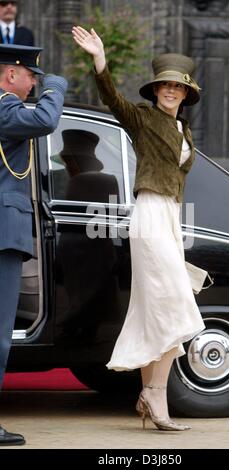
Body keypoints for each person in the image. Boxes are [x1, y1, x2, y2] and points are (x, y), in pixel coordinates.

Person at [72, 25, 205, 432]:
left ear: (185, 95)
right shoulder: (143, 119)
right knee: (179, 305)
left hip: (170, 217)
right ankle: (154, 394)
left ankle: (153, 403)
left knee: (155, 309)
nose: (170, 92)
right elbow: (112, 99)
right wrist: (100, 61)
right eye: (165, 86)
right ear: (156, 90)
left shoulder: (185, 130)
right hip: (148, 214)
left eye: (177, 88)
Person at [0, 43, 67, 445]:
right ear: (11, 75)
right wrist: (56, 87)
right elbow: (45, 119)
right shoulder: (5, 107)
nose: (34, 85)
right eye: (32, 77)